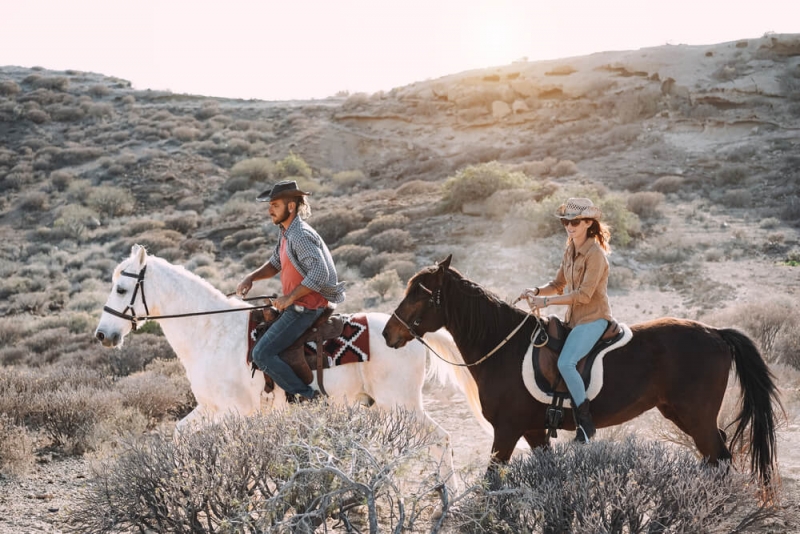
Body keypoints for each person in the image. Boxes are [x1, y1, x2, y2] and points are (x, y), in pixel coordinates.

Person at [236, 180, 345, 401]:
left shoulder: (300, 235)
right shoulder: (286, 233)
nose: (270, 210)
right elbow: (275, 263)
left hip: (307, 308)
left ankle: (308, 397)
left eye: (275, 205)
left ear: (291, 206)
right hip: (299, 304)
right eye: (270, 205)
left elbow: (319, 274)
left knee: (262, 354)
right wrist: (252, 277)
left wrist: (289, 298)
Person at [518, 197, 614, 443]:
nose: (569, 226)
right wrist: (536, 292)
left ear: (588, 223)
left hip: (593, 319)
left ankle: (585, 425)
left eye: (575, 221)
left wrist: (546, 303)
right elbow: (558, 284)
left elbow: (583, 295)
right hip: (573, 320)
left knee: (566, 363)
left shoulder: (596, 255)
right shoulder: (570, 248)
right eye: (565, 221)